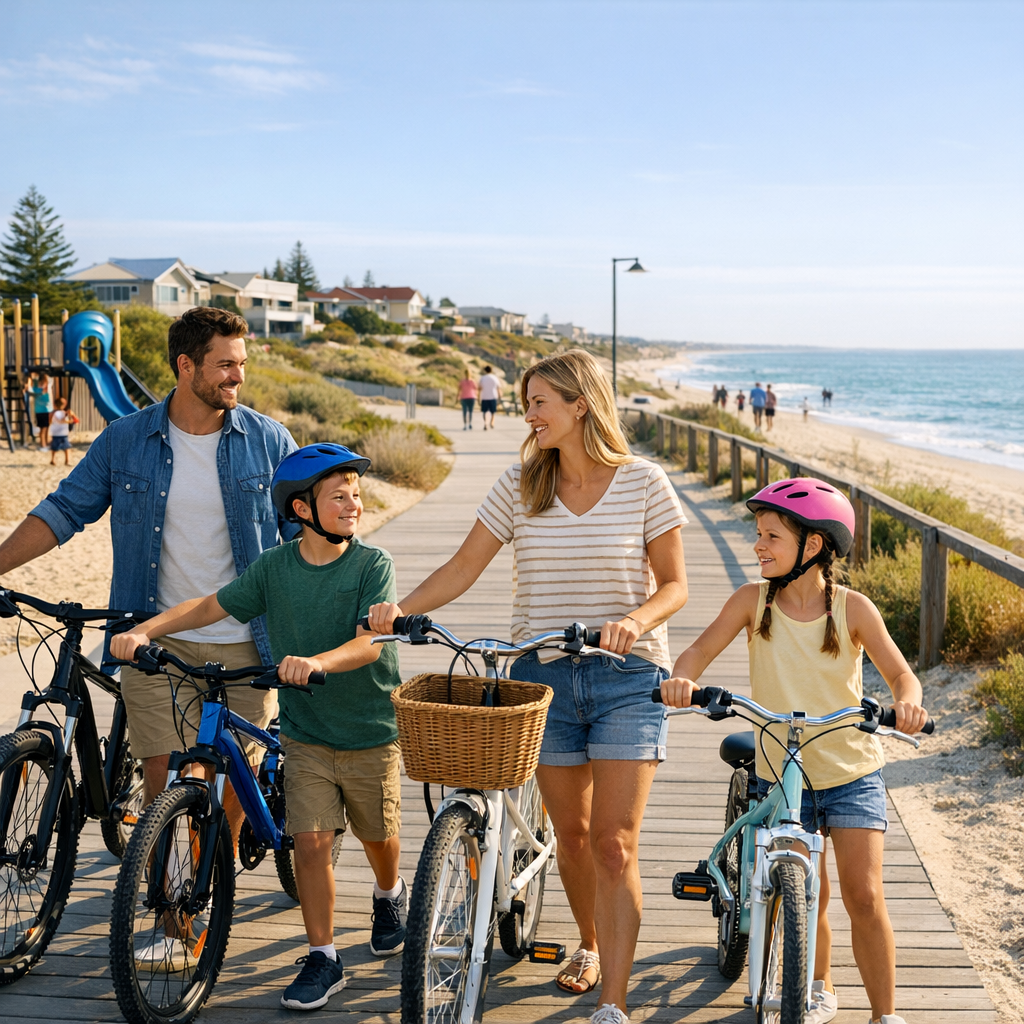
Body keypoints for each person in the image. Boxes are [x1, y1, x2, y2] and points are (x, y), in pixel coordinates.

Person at [367, 349, 688, 1024]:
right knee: (571, 836)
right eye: (525, 402)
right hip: (538, 677)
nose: (528, 415)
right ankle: (591, 942)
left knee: (614, 842)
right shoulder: (520, 486)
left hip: (628, 677)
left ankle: (614, 1004)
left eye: (539, 401)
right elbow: (463, 566)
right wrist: (402, 613)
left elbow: (675, 587)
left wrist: (632, 620)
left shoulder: (645, 483)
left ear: (580, 404)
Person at [112, 444, 405, 1007]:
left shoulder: (373, 565)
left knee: (377, 833)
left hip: (368, 727)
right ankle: (324, 956)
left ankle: (389, 892)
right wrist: (146, 630)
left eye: (357, 495)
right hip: (307, 732)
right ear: (300, 509)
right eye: (338, 496)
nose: (353, 504)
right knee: (312, 841)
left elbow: (372, 643)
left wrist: (318, 661)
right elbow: (209, 606)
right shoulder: (274, 569)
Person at [0, 306, 298, 853]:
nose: (238, 376)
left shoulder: (270, 441)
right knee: (160, 771)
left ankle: (217, 867)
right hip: (154, 637)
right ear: (186, 366)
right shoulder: (125, 440)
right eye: (225, 365)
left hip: (248, 637)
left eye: (242, 364)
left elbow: (304, 537)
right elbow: (63, 511)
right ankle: (164, 886)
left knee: (239, 772)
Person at [661, 481, 929, 1024]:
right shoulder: (750, 601)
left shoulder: (851, 608)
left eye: (771, 537)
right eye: (758, 535)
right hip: (781, 773)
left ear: (812, 546)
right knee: (808, 895)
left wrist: (908, 704)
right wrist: (682, 679)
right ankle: (818, 985)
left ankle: (886, 1014)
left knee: (863, 894)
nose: (758, 546)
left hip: (850, 771)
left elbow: (902, 674)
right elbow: (697, 650)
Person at [48, 397, 78, 466]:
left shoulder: (53, 413)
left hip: (56, 433)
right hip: (62, 433)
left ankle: (53, 459)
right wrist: (71, 417)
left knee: (55, 447)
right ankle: (67, 461)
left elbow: (50, 422)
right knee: (66, 447)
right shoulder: (63, 413)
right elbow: (63, 421)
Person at [31, 372, 54, 448]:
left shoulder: (47, 387)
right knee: (43, 428)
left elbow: (50, 380)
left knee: (46, 427)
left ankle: (45, 443)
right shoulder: (36, 389)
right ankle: (43, 444)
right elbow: (31, 384)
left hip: (48, 410)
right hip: (41, 411)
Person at [478, 364, 502, 430]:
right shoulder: (495, 378)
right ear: (491, 370)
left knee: (484, 412)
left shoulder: (482, 378)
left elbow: (479, 388)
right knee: (493, 411)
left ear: (485, 370)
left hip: (484, 396)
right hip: (493, 396)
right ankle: (492, 422)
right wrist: (500, 396)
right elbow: (498, 388)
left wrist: (478, 397)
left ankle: (485, 423)